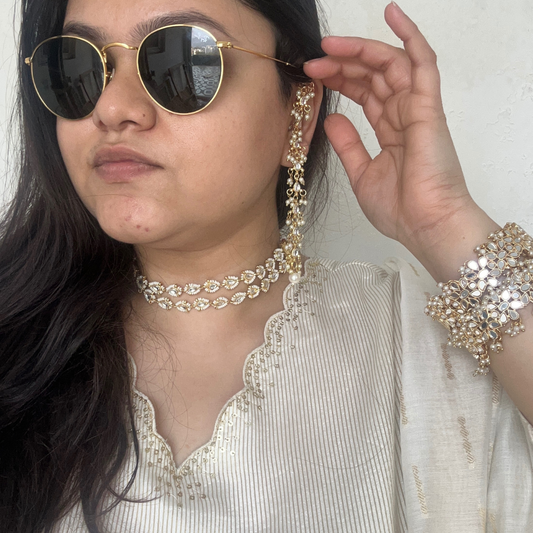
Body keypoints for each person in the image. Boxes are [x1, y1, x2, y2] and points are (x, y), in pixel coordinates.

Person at [1, 0, 532, 531]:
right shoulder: (16, 341)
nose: (112, 108)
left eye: (183, 59)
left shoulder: (417, 338)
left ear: (298, 114)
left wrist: (445, 225)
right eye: (79, 65)